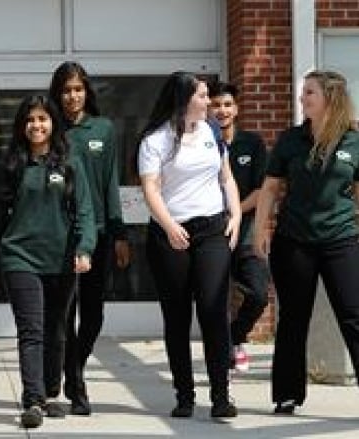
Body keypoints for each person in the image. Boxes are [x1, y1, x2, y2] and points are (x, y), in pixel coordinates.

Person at [0, 94, 96, 429]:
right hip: (20, 258)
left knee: (57, 331)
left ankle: (48, 393)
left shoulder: (70, 163)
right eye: (30, 120)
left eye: (42, 119)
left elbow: (85, 211)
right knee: (31, 331)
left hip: (62, 260)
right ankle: (32, 400)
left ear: (53, 123)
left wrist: (85, 248)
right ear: (22, 126)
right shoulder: (11, 166)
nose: (36, 125)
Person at [136, 71, 242, 418]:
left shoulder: (212, 130)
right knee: (178, 317)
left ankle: (221, 396)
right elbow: (150, 189)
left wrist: (236, 214)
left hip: (212, 231)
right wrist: (169, 226)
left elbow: (225, 177)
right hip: (171, 236)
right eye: (202, 96)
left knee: (214, 312)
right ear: (183, 100)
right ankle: (184, 395)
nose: (208, 102)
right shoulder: (156, 140)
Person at [253, 70, 359, 415]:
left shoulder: (353, 142)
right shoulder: (290, 139)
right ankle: (287, 395)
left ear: (330, 97)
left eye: (309, 93)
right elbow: (270, 188)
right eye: (303, 93)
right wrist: (260, 231)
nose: (302, 99)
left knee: (353, 316)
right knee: (293, 319)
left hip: (341, 240)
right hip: (294, 241)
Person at [48, 61, 131, 415]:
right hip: (60, 236)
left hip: (97, 234)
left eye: (78, 89)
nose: (72, 96)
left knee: (93, 316)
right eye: (66, 90)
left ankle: (73, 367)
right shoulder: (50, 130)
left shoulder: (104, 129)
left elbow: (110, 183)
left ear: (87, 92)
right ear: (58, 94)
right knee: (64, 315)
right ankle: (77, 387)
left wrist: (119, 233)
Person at [208, 81, 270, 372]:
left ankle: (236, 337)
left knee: (258, 293)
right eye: (216, 105)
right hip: (211, 235)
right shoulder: (201, 143)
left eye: (227, 105)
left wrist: (234, 212)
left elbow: (261, 191)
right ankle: (222, 353)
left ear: (236, 109)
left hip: (244, 234)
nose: (222, 110)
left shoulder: (252, 144)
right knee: (215, 299)